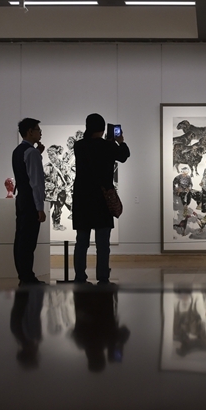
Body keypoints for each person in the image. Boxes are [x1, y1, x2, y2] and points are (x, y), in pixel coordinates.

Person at [72, 113, 130, 284]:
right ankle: (103, 276)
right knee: (103, 243)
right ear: (103, 128)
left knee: (81, 241)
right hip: (102, 198)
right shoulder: (108, 146)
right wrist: (120, 141)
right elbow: (124, 155)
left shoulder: (79, 145)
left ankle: (80, 276)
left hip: (82, 198)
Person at [12, 118, 47, 286]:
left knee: (21, 238)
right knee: (28, 241)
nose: (40, 132)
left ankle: (23, 275)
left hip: (21, 199)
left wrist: (38, 153)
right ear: (29, 132)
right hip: (30, 201)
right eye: (38, 129)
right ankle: (27, 276)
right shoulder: (31, 153)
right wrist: (40, 207)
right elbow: (36, 183)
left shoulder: (18, 151)